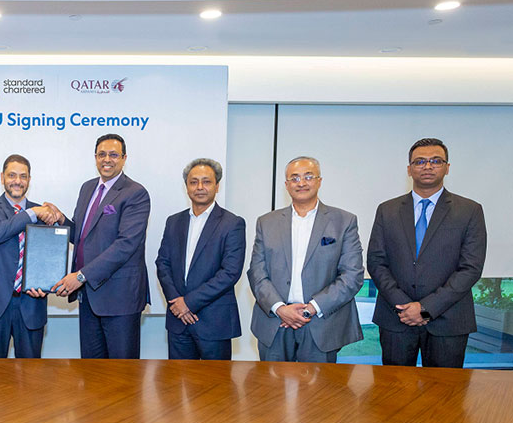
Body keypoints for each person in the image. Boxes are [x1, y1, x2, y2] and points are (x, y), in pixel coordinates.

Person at [367, 138, 486, 368]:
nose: (428, 166)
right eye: (420, 161)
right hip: (397, 318)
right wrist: (405, 306)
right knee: (393, 387)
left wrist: (424, 308)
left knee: (445, 389)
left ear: (447, 167)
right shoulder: (387, 210)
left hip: (449, 320)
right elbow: (376, 262)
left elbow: (470, 268)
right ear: (409, 169)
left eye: (436, 161)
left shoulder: (469, 210)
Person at [247, 156, 364, 363]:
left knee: (319, 385)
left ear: (319, 181)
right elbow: (257, 272)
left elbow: (352, 275)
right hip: (275, 322)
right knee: (269, 384)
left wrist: (311, 309)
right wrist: (280, 308)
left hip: (321, 323)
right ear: (286, 185)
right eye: (294, 178)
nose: (301, 183)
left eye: (308, 177)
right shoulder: (266, 222)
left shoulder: (344, 221)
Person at [50, 133, 150, 359]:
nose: (107, 159)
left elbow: (126, 245)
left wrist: (81, 276)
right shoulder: (87, 188)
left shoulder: (135, 193)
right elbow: (82, 236)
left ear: (124, 158)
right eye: (102, 154)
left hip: (120, 298)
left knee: (122, 373)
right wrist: (61, 220)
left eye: (114, 155)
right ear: (95, 157)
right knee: (91, 371)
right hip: (89, 297)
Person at [0, 154, 61, 358]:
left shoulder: (44, 214)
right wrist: (32, 213)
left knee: (31, 372)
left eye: (23, 176)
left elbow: (51, 255)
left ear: (29, 180)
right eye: (12, 175)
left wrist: (46, 285)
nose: (17, 181)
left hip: (32, 304)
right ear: (2, 177)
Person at [155, 158, 245, 360]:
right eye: (193, 182)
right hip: (178, 321)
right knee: (177, 379)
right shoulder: (174, 221)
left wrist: (188, 303)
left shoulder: (232, 223)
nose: (200, 187)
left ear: (217, 186)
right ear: (186, 186)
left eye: (206, 182)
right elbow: (163, 264)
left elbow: (230, 272)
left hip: (214, 322)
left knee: (216, 380)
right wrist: (177, 303)